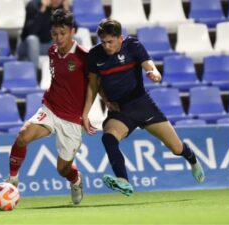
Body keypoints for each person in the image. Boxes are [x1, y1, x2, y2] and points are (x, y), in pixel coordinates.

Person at [82, 18, 205, 196]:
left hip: (142, 104)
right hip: (120, 110)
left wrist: (154, 73)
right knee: (108, 138)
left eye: (110, 42)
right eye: (103, 42)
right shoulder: (95, 55)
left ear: (120, 38)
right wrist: (87, 113)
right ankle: (123, 180)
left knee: (176, 148)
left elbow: (149, 65)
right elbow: (93, 85)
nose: (107, 46)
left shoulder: (133, 45)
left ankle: (192, 159)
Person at [6, 9, 88, 205]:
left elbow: (95, 84)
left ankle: (75, 180)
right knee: (23, 136)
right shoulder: (52, 52)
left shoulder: (84, 57)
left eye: (63, 33)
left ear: (72, 31)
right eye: (54, 33)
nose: (58, 38)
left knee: (62, 169)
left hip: (72, 119)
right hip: (50, 109)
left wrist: (89, 112)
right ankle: (13, 179)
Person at [18, 0, 70, 69]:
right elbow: (32, 31)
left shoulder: (61, 7)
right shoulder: (33, 5)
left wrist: (67, 11)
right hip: (28, 46)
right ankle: (33, 75)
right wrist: (42, 10)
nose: (58, 1)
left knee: (73, 38)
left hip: (48, 45)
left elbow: (74, 30)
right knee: (33, 39)